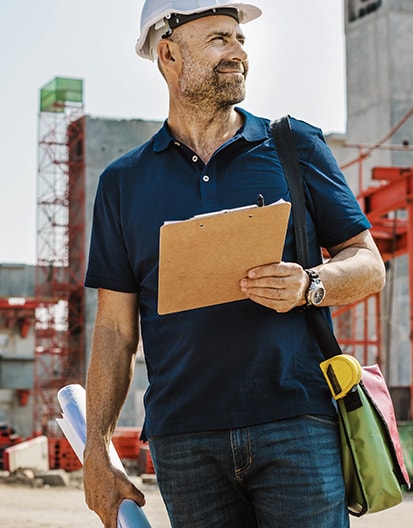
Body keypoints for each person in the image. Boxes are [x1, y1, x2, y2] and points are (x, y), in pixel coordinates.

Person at [83, 1, 386, 527]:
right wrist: (97, 449)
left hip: (297, 424)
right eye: (220, 39)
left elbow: (367, 264)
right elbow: (113, 330)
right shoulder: (122, 183)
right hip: (185, 441)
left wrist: (308, 284)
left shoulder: (295, 148)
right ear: (169, 54)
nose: (238, 53)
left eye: (241, 40)